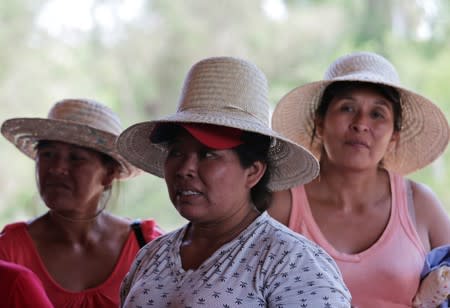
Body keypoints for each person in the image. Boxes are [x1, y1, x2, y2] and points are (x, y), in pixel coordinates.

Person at [116, 56, 351, 307]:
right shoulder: (152, 256)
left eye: (208, 154)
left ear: (253, 172)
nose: (185, 168)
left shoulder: (292, 262)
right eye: (176, 152)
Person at [268, 51, 450, 307]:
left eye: (377, 114)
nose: (361, 124)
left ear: (394, 135)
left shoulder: (418, 204)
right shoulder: (281, 205)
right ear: (320, 123)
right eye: (347, 108)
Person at [0, 98, 163, 307]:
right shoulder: (9, 251)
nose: (57, 168)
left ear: (109, 174)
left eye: (76, 158)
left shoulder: (147, 248)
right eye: (47, 154)